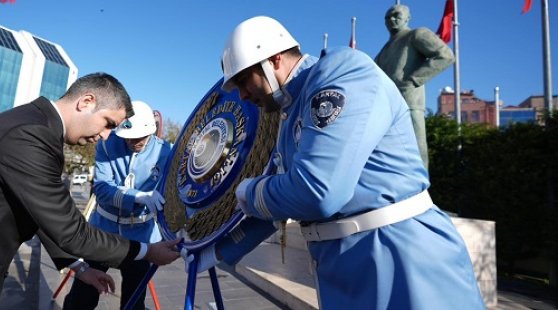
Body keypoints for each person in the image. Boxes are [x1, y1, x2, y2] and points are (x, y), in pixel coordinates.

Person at [189, 16, 484, 309]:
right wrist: (214, 249)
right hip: (349, 269)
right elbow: (284, 201)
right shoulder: (291, 110)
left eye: (243, 80)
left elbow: (316, 191)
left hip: (404, 262)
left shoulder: (342, 71)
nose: (242, 94)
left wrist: (249, 191)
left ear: (274, 60)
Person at [0, 72, 181, 309]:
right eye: (107, 124)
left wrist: (79, 268)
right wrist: (146, 250)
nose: (106, 136)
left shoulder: (35, 128)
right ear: (86, 102)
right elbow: (71, 231)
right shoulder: (31, 135)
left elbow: (36, 213)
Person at [64, 100, 172, 310]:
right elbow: (103, 189)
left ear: (151, 131)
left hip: (141, 236)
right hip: (103, 231)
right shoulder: (106, 144)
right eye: (128, 138)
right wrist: (138, 197)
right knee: (82, 297)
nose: (132, 143)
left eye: (138, 138)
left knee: (133, 302)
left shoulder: (166, 152)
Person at [375, 4, 455, 169]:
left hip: (409, 101)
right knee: (389, 150)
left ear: (407, 18)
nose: (391, 19)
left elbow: (445, 56)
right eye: (387, 17)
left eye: (396, 15)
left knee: (415, 148)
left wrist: (413, 80)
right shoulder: (385, 49)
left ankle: (420, 188)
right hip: (387, 105)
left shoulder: (416, 34)